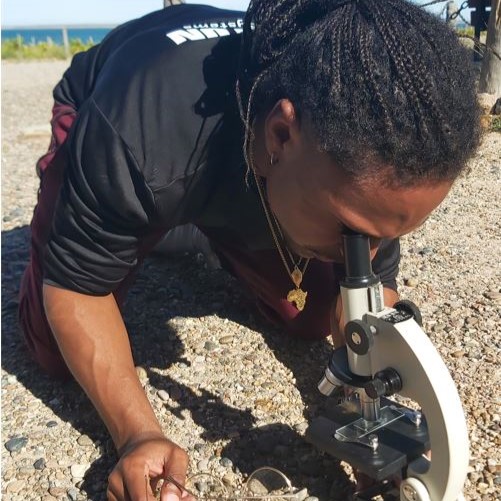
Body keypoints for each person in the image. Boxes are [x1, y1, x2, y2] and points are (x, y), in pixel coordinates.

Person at [18, 1, 481, 500]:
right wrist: (138, 433)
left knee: (310, 318)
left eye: (392, 233)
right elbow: (74, 287)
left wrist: (374, 417)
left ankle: (192, 225)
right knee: (55, 353)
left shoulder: (370, 163)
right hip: (114, 117)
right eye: (353, 231)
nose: (369, 253)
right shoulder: (141, 126)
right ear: (281, 134)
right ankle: (150, 216)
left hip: (225, 176)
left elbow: (367, 308)